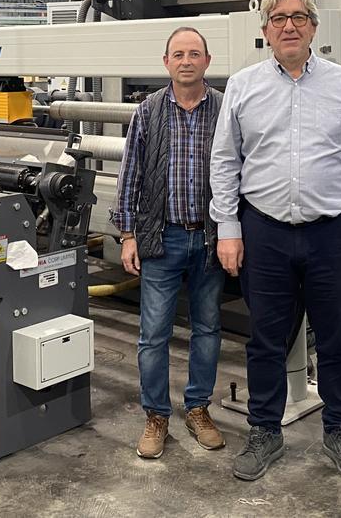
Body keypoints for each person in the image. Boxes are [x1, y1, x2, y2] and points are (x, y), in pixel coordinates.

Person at [210, 0, 341, 482]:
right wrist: (228, 228)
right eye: (278, 18)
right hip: (263, 231)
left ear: (313, 26)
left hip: (333, 232)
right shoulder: (242, 86)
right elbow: (225, 162)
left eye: (299, 17)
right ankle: (265, 430)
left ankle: (339, 430)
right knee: (266, 339)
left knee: (335, 339)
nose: (289, 25)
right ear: (265, 30)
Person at [112, 26, 227, 459]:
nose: (186, 61)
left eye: (194, 53)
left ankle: (198, 409)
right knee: (153, 333)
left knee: (208, 328)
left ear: (207, 61)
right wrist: (127, 235)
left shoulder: (224, 108)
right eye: (177, 54)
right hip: (163, 238)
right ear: (166, 63)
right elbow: (131, 175)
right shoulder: (149, 111)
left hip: (211, 239)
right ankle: (156, 415)